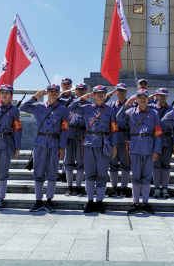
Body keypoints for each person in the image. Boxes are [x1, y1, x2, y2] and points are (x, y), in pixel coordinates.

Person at [67, 85, 118, 213]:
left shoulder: (110, 110)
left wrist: (114, 145)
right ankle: (90, 201)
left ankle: (99, 201)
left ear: (105, 95)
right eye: (97, 93)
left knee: (102, 174)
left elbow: (114, 130)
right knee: (89, 174)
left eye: (102, 93)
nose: (100, 95)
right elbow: (70, 107)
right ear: (93, 95)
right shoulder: (86, 108)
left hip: (104, 144)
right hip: (89, 143)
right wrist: (82, 98)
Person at [21, 84, 69, 213]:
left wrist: (62, 146)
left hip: (55, 143)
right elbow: (23, 107)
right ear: (46, 93)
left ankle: (49, 200)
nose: (53, 93)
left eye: (55, 91)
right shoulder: (38, 106)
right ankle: (38, 200)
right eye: (50, 91)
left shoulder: (63, 109)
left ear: (58, 93)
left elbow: (65, 129)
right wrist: (34, 98)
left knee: (52, 172)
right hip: (40, 142)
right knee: (38, 171)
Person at [116, 89, 162, 214]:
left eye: (145, 97)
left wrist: (156, 150)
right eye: (140, 97)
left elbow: (158, 133)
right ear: (136, 99)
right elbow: (118, 118)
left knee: (147, 176)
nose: (142, 99)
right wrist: (126, 105)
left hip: (149, 146)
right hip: (135, 146)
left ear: (148, 99)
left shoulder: (154, 113)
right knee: (135, 175)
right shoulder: (131, 111)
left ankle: (145, 203)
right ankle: (136, 203)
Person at [106, 83, 132, 198]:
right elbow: (100, 104)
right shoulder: (110, 105)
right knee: (113, 164)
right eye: (119, 90)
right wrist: (108, 96)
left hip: (126, 137)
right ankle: (114, 187)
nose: (121, 92)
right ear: (115, 92)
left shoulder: (131, 105)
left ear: (126, 92)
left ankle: (124, 187)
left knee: (126, 164)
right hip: (113, 137)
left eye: (123, 90)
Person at [62, 83, 88, 197]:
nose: (81, 91)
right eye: (79, 89)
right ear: (75, 91)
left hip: (82, 135)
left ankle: (78, 186)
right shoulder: (70, 103)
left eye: (83, 89)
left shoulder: (89, 105)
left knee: (81, 162)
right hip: (70, 134)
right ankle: (69, 186)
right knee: (69, 161)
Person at [149, 88, 174, 199]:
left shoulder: (172, 110)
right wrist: (149, 98)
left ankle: (164, 188)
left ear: (167, 97)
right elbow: (137, 105)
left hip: (167, 140)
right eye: (160, 95)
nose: (162, 97)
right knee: (156, 165)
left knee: (166, 165)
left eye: (164, 95)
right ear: (156, 96)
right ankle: (156, 188)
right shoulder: (151, 108)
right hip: (155, 140)